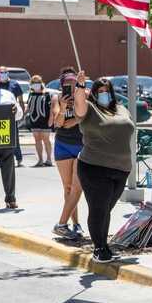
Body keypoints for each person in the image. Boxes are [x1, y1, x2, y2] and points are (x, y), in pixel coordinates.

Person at [73, 72, 134, 263]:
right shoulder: (89, 108)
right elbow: (80, 106)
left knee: (106, 209)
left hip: (121, 169)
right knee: (99, 208)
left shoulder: (121, 109)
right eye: (100, 91)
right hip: (94, 167)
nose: (104, 94)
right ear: (93, 93)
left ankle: (104, 246)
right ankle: (99, 248)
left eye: (107, 91)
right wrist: (80, 87)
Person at [51, 67, 84, 240]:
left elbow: (84, 117)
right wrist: (63, 108)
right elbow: (57, 124)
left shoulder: (82, 94)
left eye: (73, 82)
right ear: (62, 84)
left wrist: (71, 121)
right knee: (68, 187)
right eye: (67, 83)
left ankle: (73, 224)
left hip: (80, 145)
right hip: (63, 145)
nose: (70, 86)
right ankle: (73, 223)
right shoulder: (57, 98)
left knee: (77, 187)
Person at [0, 67, 22, 209]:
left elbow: (19, 115)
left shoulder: (7, 95)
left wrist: (15, 110)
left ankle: (10, 198)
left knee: (8, 169)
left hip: (5, 137)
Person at [0, 67, 25, 166]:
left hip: (12, 115)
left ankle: (18, 158)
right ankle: (1, 159)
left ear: (7, 73)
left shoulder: (14, 84)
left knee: (14, 137)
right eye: (1, 72)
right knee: (1, 138)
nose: (2, 74)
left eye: (4, 72)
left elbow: (21, 100)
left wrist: (22, 113)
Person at [26, 75, 53, 167]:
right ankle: (40, 160)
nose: (36, 84)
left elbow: (51, 108)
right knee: (37, 139)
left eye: (37, 82)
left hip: (45, 120)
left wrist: (51, 119)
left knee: (46, 139)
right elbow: (28, 107)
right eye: (34, 83)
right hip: (34, 120)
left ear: (41, 83)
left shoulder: (47, 94)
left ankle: (49, 159)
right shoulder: (31, 94)